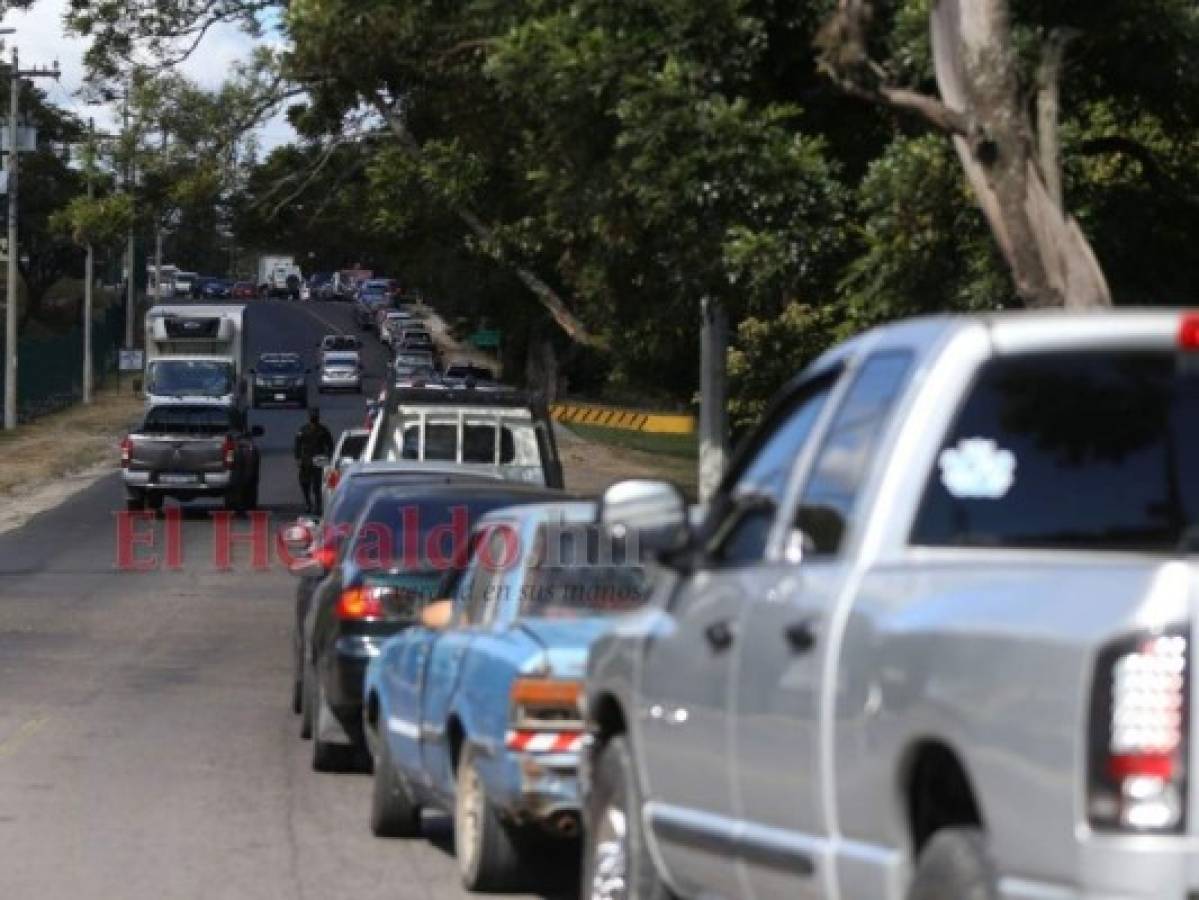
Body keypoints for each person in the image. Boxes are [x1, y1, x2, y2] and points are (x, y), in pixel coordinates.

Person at [294, 408, 334, 514]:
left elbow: (330, 445)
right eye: (312, 415)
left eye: (315, 415)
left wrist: (328, 457)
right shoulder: (303, 430)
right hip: (306, 459)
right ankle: (307, 502)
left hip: (319, 459)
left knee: (318, 484)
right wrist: (298, 458)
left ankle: (318, 505)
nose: (313, 417)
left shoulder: (323, 430)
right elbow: (297, 445)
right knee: (304, 482)